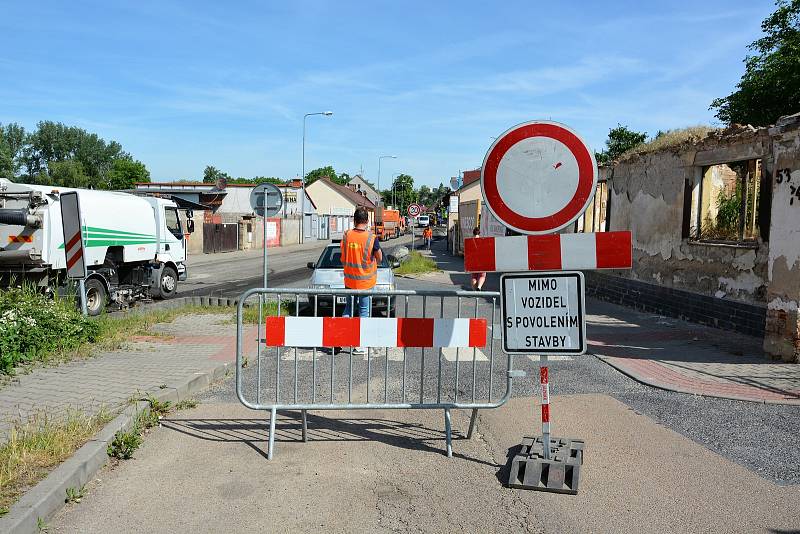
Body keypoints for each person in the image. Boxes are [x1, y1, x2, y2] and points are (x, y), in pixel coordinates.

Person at [341, 207, 382, 356]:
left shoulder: (346, 235)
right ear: (367, 221)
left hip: (349, 281)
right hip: (365, 282)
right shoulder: (371, 238)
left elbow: (344, 255)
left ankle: (341, 339)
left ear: (354, 219)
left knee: (348, 310)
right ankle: (361, 346)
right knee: (364, 312)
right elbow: (380, 258)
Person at [470, 227, 486, 291]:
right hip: (481, 260)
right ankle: (479, 287)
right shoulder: (483, 240)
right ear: (479, 233)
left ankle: (474, 291)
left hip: (473, 261)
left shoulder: (470, 241)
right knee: (482, 276)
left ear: (473, 233)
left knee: (474, 277)